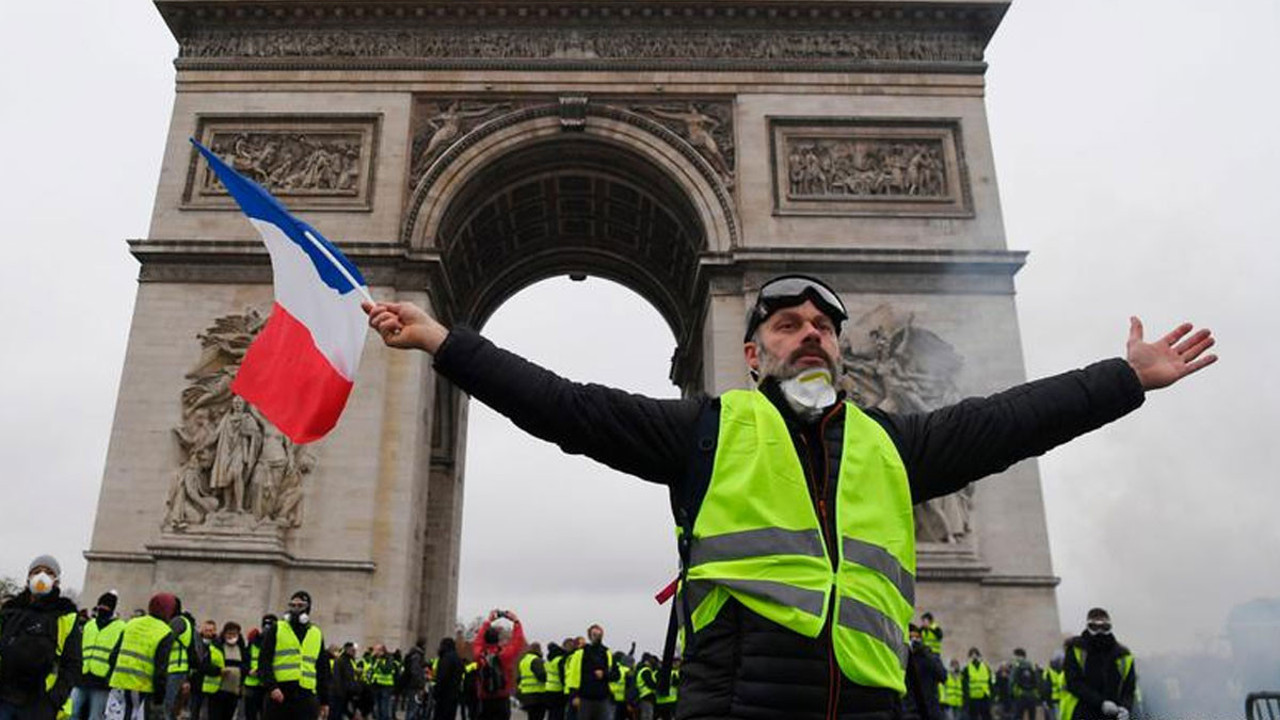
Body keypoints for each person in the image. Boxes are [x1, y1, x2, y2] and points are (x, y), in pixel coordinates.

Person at [364, 274, 1216, 718]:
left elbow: (1009, 421)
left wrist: (1123, 379)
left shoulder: (894, 446)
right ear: (752, 355)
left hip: (872, 707)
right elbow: (568, 408)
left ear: (842, 351)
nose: (810, 335)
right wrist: (444, 342)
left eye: (823, 327)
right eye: (787, 325)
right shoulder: (705, 432)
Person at [0, 555, 82, 720]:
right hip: (4, 699)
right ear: (28, 578)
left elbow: (73, 664)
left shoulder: (65, 616)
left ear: (56, 581)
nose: (41, 576)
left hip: (39, 704)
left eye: (48, 572)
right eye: (37, 571)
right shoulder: (10, 611)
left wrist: (54, 700)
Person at [257, 591, 330, 720]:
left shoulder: (316, 633)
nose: (296, 609)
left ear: (308, 608)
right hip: (280, 693)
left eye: (300, 606)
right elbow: (264, 661)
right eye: (293, 605)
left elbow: (322, 670)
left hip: (306, 695)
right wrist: (272, 687)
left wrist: (324, 701)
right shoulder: (277, 628)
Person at [106, 593, 179, 720]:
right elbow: (160, 670)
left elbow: (113, 656)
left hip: (118, 683)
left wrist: (111, 677)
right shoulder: (165, 632)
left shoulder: (131, 623)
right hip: (141, 688)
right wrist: (159, 697)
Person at [1060, 609, 1135, 720]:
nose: (1100, 632)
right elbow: (1074, 682)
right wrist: (1100, 702)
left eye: (1104, 627)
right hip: (1082, 712)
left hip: (1113, 714)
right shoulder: (1076, 649)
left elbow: (1129, 689)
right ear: (1088, 627)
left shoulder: (1123, 655)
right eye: (1094, 627)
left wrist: (1126, 708)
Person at [75, 591, 125, 720]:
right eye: (100, 606)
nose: (102, 609)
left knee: (95, 716)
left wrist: (111, 677)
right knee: (72, 713)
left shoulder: (121, 627)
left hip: (102, 682)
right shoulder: (89, 625)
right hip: (82, 677)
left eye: (106, 606)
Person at [471, 610, 526, 720]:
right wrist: (516, 621)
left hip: (484, 698)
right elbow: (518, 641)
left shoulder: (480, 655)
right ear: (498, 639)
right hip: (502, 698)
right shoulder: (505, 655)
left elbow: (478, 641)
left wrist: (488, 621)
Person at [204, 623, 246, 720]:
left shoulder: (242, 650)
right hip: (217, 692)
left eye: (234, 634)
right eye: (229, 633)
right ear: (224, 634)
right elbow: (204, 667)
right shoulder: (216, 648)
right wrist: (219, 671)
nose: (232, 636)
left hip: (234, 692)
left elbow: (245, 666)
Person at [903, 625, 946, 720]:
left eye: (917, 637)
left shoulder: (929, 655)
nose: (914, 640)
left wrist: (924, 652)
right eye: (911, 638)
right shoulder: (902, 658)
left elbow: (943, 676)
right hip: (910, 712)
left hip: (931, 710)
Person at [245, 616, 277, 720]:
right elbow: (244, 661)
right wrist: (249, 671)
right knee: (250, 715)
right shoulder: (253, 642)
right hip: (252, 685)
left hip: (268, 686)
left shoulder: (278, 644)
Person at [429, 638, 462, 720]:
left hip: (444, 696)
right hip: (454, 695)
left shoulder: (446, 658)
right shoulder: (457, 658)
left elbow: (442, 677)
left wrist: (436, 692)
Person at [517, 643, 547, 720]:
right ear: (538, 649)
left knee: (531, 716)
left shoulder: (523, 661)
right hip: (537, 695)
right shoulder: (536, 660)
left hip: (526, 694)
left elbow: (519, 678)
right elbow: (541, 676)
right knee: (538, 716)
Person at [402, 639, 429, 720]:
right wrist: (421, 683)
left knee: (412, 706)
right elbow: (415, 671)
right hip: (415, 685)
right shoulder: (417, 656)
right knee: (414, 707)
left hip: (413, 684)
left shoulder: (414, 655)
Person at [367, 645, 396, 720]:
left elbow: (387, 670)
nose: (374, 652)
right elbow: (371, 669)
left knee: (384, 707)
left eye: (376, 650)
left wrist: (379, 662)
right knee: (377, 707)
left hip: (385, 686)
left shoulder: (389, 658)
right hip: (376, 685)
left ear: (381, 651)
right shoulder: (374, 658)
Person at [542, 643, 567, 720]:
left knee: (551, 713)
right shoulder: (560, 660)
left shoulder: (549, 661)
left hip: (548, 689)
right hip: (558, 690)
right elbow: (562, 675)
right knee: (559, 714)